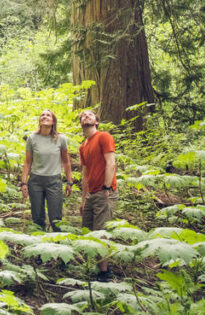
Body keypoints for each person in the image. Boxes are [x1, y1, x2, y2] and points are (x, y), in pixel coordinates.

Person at [78, 109, 117, 281]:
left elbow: (111, 163)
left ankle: (104, 272)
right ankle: (93, 267)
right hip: (90, 195)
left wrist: (107, 188)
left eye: (90, 115)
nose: (86, 116)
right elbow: (85, 173)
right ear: (80, 123)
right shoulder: (83, 145)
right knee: (88, 232)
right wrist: (83, 199)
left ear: (96, 121)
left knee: (101, 232)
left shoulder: (103, 136)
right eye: (83, 116)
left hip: (104, 192)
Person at [19, 109, 72, 231]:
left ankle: (58, 245)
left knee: (56, 218)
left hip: (54, 181)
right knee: (37, 218)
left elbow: (66, 161)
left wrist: (69, 181)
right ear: (39, 121)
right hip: (35, 181)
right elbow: (27, 162)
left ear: (53, 121)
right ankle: (39, 246)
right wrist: (23, 182)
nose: (44, 116)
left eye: (48, 115)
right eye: (42, 115)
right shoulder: (32, 138)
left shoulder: (61, 139)